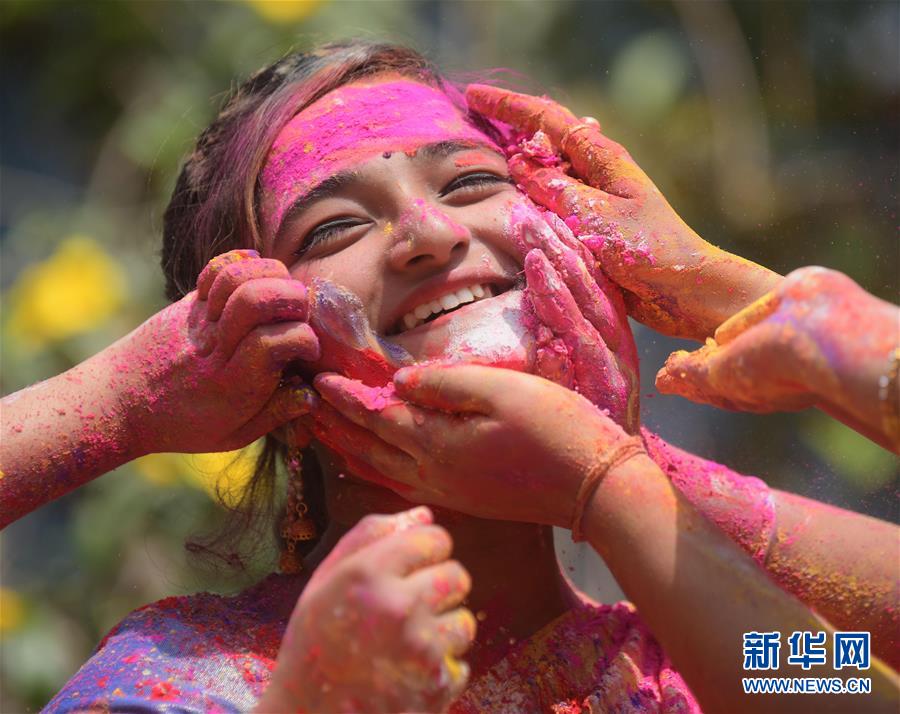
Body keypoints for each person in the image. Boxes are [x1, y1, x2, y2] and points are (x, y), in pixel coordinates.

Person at [1, 42, 897, 713]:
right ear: (256, 370)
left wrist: (623, 458)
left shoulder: (697, 638)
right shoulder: (181, 671)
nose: (430, 234)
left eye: (471, 182)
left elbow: (865, 684)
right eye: (331, 230)